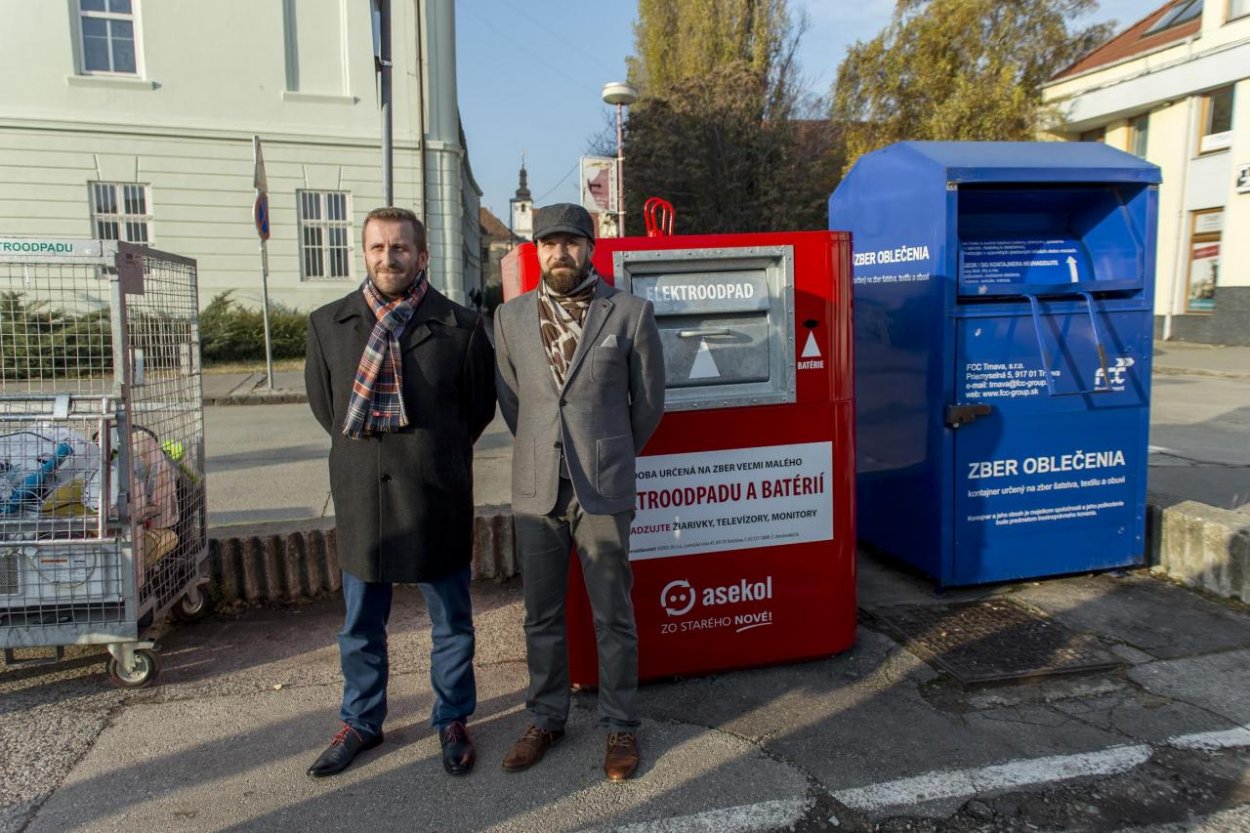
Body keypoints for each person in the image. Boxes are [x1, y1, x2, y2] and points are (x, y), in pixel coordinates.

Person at [304, 206, 496, 779]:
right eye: (377, 248)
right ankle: (361, 720)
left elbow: (478, 411)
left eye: (400, 248)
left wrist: (431, 455)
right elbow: (326, 407)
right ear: (364, 254)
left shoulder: (461, 327)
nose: (389, 258)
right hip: (364, 495)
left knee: (451, 623)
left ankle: (453, 718)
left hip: (435, 493)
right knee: (360, 625)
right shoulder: (326, 324)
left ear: (422, 255)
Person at [493, 203, 665, 781]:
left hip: (604, 487)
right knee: (540, 615)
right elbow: (515, 402)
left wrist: (607, 451)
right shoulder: (510, 318)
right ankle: (546, 718)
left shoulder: (630, 313)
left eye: (571, 242)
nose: (559, 252)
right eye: (548, 243)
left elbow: (649, 404)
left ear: (591, 248)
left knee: (612, 614)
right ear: (536, 249)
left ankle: (620, 726)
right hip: (537, 487)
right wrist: (549, 448)